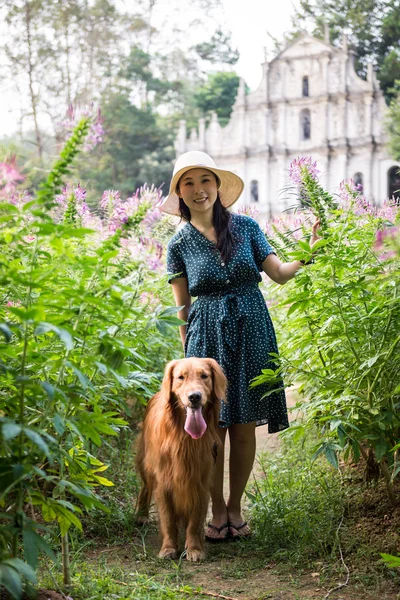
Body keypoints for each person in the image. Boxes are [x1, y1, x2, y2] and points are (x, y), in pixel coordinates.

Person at [160, 151, 320, 541]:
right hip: (207, 336)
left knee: (245, 426)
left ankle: (235, 507)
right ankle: (215, 511)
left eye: (205, 180)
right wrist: (188, 359)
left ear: (218, 185)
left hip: (253, 329)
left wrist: (310, 251)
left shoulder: (246, 227)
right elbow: (183, 307)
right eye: (189, 183)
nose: (199, 190)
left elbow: (279, 274)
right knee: (212, 429)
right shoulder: (178, 243)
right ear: (181, 193)